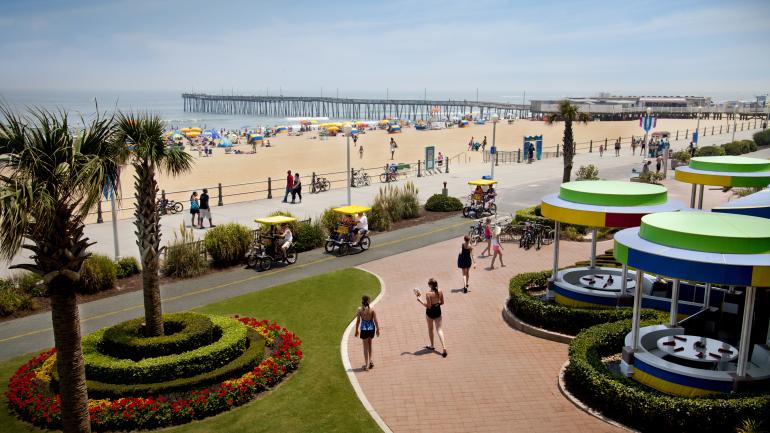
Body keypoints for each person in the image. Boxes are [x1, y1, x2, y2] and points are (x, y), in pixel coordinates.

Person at [414, 278, 447, 357]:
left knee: (430, 329)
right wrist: (436, 304)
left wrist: (420, 301)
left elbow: (428, 306)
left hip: (430, 313)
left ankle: (432, 346)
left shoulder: (428, 294)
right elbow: (442, 302)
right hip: (438, 311)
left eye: (429, 284)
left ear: (431, 285)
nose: (428, 285)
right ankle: (444, 347)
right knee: (439, 329)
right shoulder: (440, 291)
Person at [354, 295, 380, 371]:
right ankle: (370, 361)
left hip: (364, 329)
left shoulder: (359, 310)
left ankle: (366, 364)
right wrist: (378, 329)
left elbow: (358, 321)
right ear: (369, 301)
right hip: (371, 329)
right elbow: (375, 320)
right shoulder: (372, 309)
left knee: (365, 347)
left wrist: (356, 330)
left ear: (362, 300)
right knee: (370, 345)